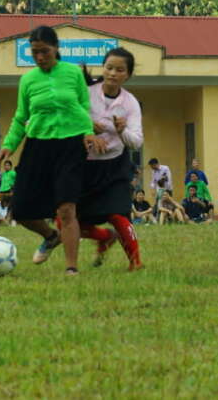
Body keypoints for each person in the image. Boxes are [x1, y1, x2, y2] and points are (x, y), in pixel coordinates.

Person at [0, 26, 105, 275]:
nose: (40, 57)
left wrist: (88, 132)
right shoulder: (28, 80)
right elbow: (21, 117)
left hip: (70, 145)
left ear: (56, 49)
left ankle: (71, 268)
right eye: (34, 53)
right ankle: (51, 236)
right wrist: (8, 146)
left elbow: (83, 106)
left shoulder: (73, 73)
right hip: (38, 146)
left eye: (44, 51)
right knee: (19, 210)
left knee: (67, 208)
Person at [74, 47, 144, 270]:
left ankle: (135, 262)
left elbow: (136, 142)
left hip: (115, 166)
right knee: (66, 220)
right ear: (103, 68)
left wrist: (122, 130)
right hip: (84, 166)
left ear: (128, 75)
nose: (113, 73)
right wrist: (87, 130)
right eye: (109, 67)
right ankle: (104, 237)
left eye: (119, 70)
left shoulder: (130, 103)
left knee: (118, 214)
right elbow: (69, 116)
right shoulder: (86, 92)